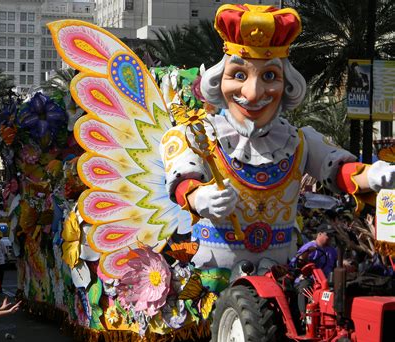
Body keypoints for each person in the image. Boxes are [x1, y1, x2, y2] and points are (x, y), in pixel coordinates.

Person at [159, 3, 395, 276]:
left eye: (269, 76)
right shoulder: (195, 136)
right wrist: (200, 197)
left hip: (280, 279)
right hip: (213, 277)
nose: (253, 92)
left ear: (286, 85)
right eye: (238, 75)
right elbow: (182, 182)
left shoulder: (300, 141)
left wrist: (373, 175)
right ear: (219, 80)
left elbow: (337, 170)